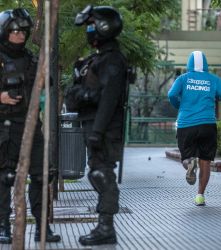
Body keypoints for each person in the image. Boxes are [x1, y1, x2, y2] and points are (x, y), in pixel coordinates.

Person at [65, 4, 127, 246]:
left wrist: (98, 132)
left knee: (102, 175)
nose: (89, 31)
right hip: (93, 126)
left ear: (103, 28)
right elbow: (75, 96)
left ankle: (105, 228)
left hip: (104, 129)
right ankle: (104, 226)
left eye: (92, 26)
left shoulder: (112, 60)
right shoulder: (96, 60)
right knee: (97, 173)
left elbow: (109, 100)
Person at [0, 8, 61, 244]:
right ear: (5, 31)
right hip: (4, 126)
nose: (19, 35)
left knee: (41, 175)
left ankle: (42, 227)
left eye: (23, 31)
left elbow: (48, 84)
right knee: (5, 177)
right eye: (14, 30)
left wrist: (45, 75)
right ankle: (4, 226)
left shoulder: (32, 59)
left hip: (31, 125)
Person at [168, 51, 221, 206]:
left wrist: (180, 105)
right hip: (207, 125)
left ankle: (189, 164)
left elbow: (171, 94)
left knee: (186, 157)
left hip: (187, 124)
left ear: (189, 64)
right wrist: (218, 97)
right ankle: (200, 196)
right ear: (205, 64)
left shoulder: (183, 79)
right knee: (205, 161)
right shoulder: (213, 79)